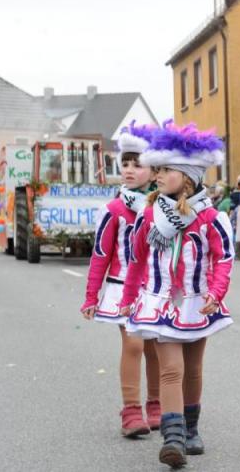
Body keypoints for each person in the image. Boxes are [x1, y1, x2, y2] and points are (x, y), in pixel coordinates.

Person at [117, 122, 234, 469]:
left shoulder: (211, 218)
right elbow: (136, 259)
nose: (157, 175)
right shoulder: (149, 215)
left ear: (187, 178)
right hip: (161, 303)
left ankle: (192, 427)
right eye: (159, 169)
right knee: (171, 369)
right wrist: (128, 297)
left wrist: (216, 291)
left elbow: (224, 259)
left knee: (194, 369)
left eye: (166, 170)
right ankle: (173, 438)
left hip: (198, 301)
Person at [80, 122, 162, 437]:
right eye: (124, 164)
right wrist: (91, 296)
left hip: (154, 289)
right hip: (120, 288)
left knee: (156, 347)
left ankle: (156, 406)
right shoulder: (113, 209)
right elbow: (100, 254)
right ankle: (131, 410)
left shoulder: (162, 208)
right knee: (134, 345)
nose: (128, 170)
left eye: (136, 164)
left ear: (154, 170)